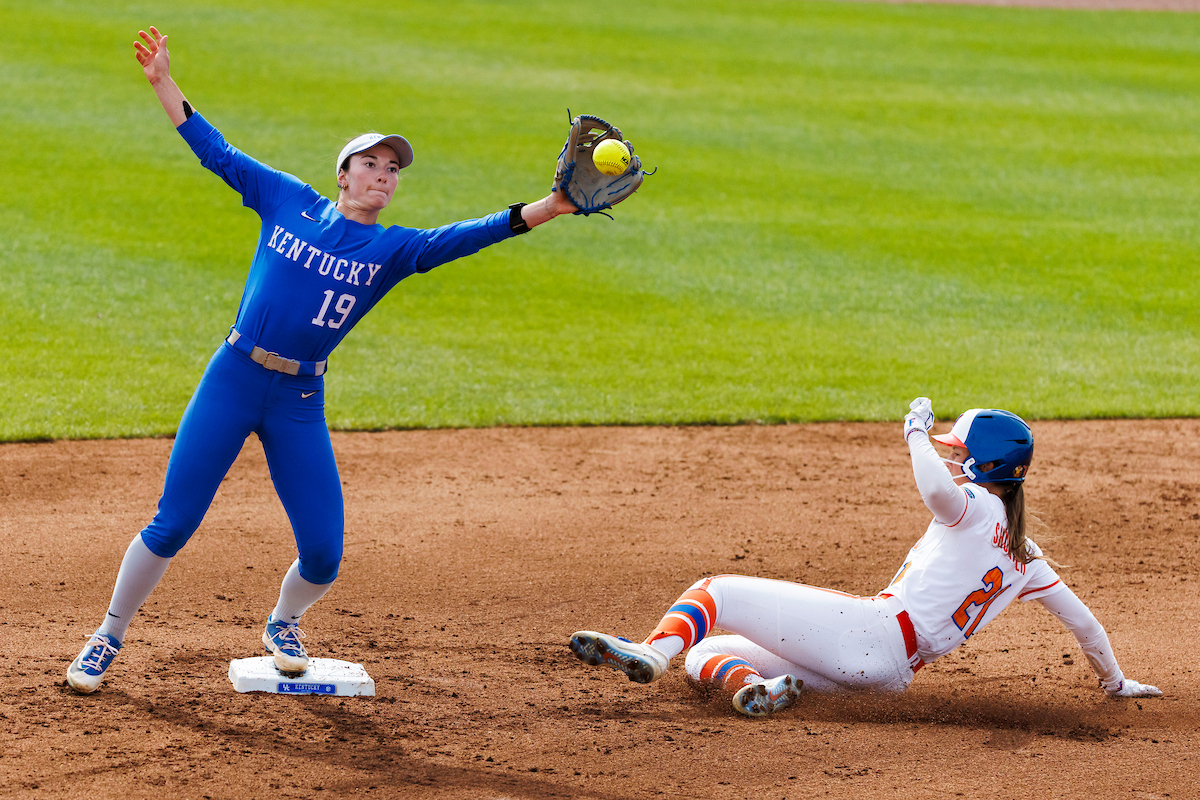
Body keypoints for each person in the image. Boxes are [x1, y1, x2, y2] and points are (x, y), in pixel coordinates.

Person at [66, 26, 583, 694]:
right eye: (372, 164)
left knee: (324, 553)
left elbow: (469, 235)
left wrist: (552, 207)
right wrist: (164, 82)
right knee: (174, 523)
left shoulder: (394, 250)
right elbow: (216, 151)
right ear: (344, 175)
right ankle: (108, 635)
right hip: (234, 377)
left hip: (298, 401)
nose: (384, 175)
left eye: (392, 169)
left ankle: (283, 622)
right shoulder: (286, 198)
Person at [569, 398, 1164, 717]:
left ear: (984, 466)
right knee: (708, 652)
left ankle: (652, 652)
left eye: (959, 451)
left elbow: (936, 491)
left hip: (872, 632)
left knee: (714, 591)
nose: (951, 456)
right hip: (889, 679)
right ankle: (764, 689)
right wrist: (1115, 683)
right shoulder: (1028, 557)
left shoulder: (975, 506)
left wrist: (914, 433)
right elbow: (1085, 625)